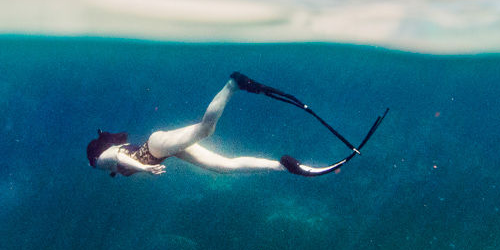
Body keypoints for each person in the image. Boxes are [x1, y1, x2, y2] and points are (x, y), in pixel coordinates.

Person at [85, 72, 350, 177]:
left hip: (154, 147)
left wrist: (142, 166)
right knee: (224, 166)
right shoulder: (105, 159)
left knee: (206, 129)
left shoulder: (101, 159)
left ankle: (232, 84)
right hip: (162, 152)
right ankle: (285, 165)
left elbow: (120, 154)